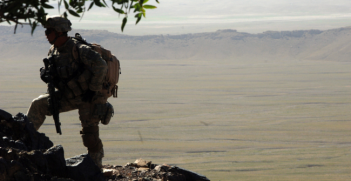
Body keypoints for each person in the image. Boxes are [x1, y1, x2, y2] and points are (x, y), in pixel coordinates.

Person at [26, 15, 108, 168]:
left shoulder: (79, 49)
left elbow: (101, 66)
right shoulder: (53, 50)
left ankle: (96, 170)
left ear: (59, 31)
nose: (46, 34)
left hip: (89, 98)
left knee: (90, 138)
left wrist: (93, 90)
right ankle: (23, 142)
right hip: (69, 95)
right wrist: (46, 76)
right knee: (38, 104)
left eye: (49, 30)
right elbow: (57, 76)